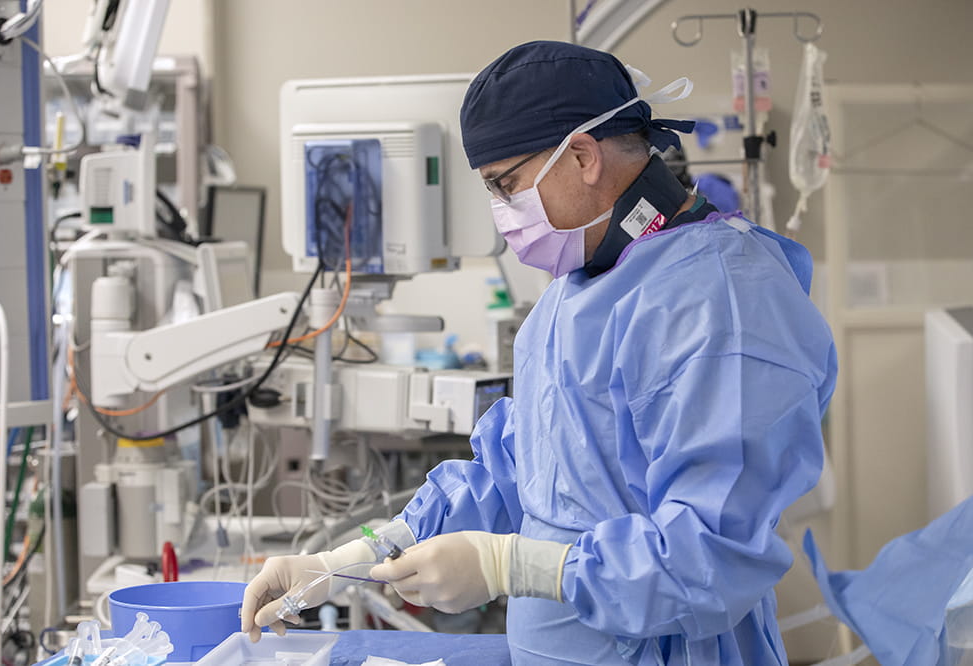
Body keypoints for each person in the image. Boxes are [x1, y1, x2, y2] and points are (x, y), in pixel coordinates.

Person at [241, 40, 837, 665]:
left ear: (580, 156)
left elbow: (713, 554)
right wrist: (350, 560)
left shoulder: (725, 299)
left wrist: (509, 564)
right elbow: (513, 472)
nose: (502, 213)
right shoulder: (575, 292)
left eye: (506, 185)